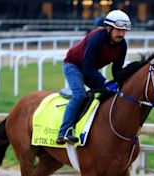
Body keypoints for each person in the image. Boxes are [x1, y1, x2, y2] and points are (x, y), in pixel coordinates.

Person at [56, 9, 131, 145]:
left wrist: (128, 77)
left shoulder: (122, 45)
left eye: (124, 31)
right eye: (118, 30)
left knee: (109, 94)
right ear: (108, 28)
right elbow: (87, 68)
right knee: (79, 95)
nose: (121, 34)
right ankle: (64, 132)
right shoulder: (97, 38)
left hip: (89, 69)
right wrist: (105, 82)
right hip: (73, 65)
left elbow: (117, 71)